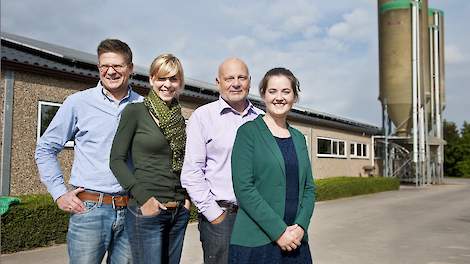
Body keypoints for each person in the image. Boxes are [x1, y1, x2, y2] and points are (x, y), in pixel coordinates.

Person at [35, 39, 142, 263]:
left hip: (133, 210)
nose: (110, 71)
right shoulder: (77, 103)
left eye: (118, 66)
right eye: (104, 66)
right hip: (90, 209)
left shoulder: (143, 106)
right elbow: (45, 148)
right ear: (98, 67)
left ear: (130, 68)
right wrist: (58, 193)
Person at [110, 53, 190, 264]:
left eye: (173, 79)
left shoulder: (179, 120)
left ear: (180, 83)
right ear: (151, 79)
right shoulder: (135, 111)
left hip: (178, 211)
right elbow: (116, 160)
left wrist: (187, 200)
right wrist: (144, 199)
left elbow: (183, 163)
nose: (167, 84)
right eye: (161, 78)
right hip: (148, 211)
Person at [229, 67, 315, 263]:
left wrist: (301, 227)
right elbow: (244, 188)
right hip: (256, 243)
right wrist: (279, 231)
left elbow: (309, 188)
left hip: (295, 241)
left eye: (286, 91)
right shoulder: (248, 132)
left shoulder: (299, 138)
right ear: (263, 95)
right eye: (273, 91)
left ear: (294, 96)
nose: (279, 97)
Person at [181, 58, 262, 263]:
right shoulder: (203, 117)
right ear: (218, 82)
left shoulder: (262, 119)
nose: (236, 83)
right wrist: (214, 215)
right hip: (221, 217)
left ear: (249, 81)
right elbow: (192, 172)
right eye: (229, 78)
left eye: (241, 77)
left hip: (258, 217)